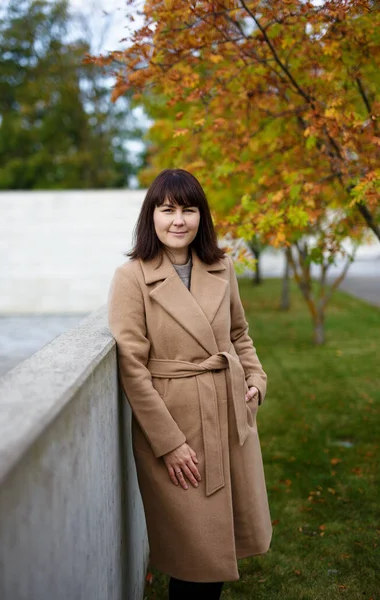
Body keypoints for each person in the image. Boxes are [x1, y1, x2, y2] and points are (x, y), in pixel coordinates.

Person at [107, 168, 272, 599]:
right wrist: (169, 443)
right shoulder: (132, 277)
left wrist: (255, 379)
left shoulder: (222, 265)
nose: (178, 220)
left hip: (227, 416)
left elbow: (239, 333)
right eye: (167, 210)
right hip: (175, 426)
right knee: (192, 555)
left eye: (188, 209)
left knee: (214, 558)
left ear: (202, 216)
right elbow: (133, 368)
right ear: (152, 216)